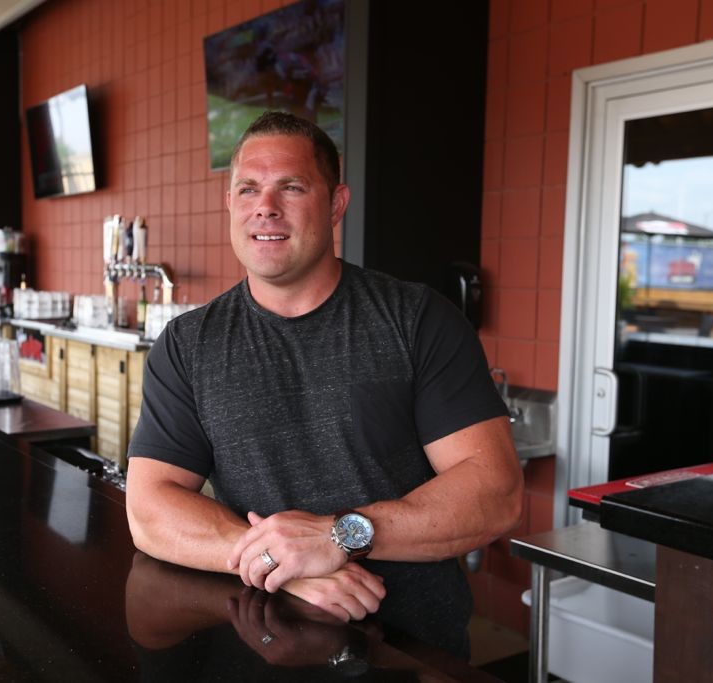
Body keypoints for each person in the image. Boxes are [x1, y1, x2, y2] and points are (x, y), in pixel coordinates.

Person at [125, 111, 523, 659]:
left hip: (408, 655)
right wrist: (279, 562)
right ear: (230, 204)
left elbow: (495, 490)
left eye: (291, 186)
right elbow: (150, 507)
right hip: (252, 649)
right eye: (248, 188)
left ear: (335, 204)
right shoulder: (188, 344)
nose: (265, 206)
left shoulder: (417, 320)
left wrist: (341, 535)